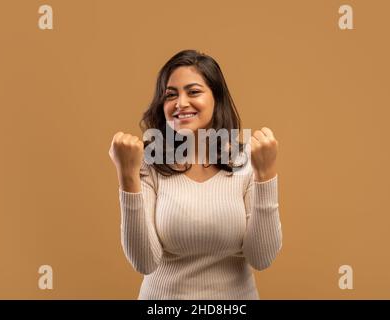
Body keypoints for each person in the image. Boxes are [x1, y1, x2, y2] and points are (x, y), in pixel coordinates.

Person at [108, 49, 282, 299]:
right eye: (170, 95)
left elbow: (262, 257)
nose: (180, 103)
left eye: (193, 91)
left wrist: (266, 175)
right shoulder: (148, 164)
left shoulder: (247, 162)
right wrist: (127, 175)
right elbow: (144, 262)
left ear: (216, 98)